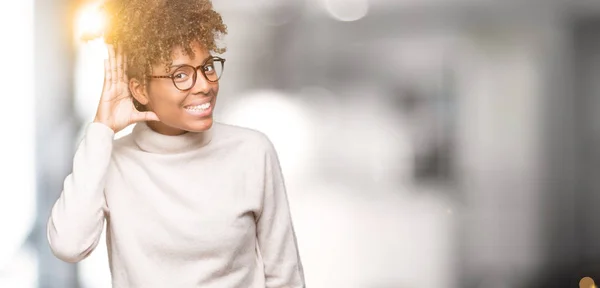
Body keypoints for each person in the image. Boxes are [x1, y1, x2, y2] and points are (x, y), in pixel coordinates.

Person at [46, 0, 305, 287]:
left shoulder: (253, 152)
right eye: (181, 75)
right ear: (140, 89)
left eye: (207, 67)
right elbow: (68, 245)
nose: (205, 85)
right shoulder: (112, 164)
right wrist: (101, 128)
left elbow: (285, 276)